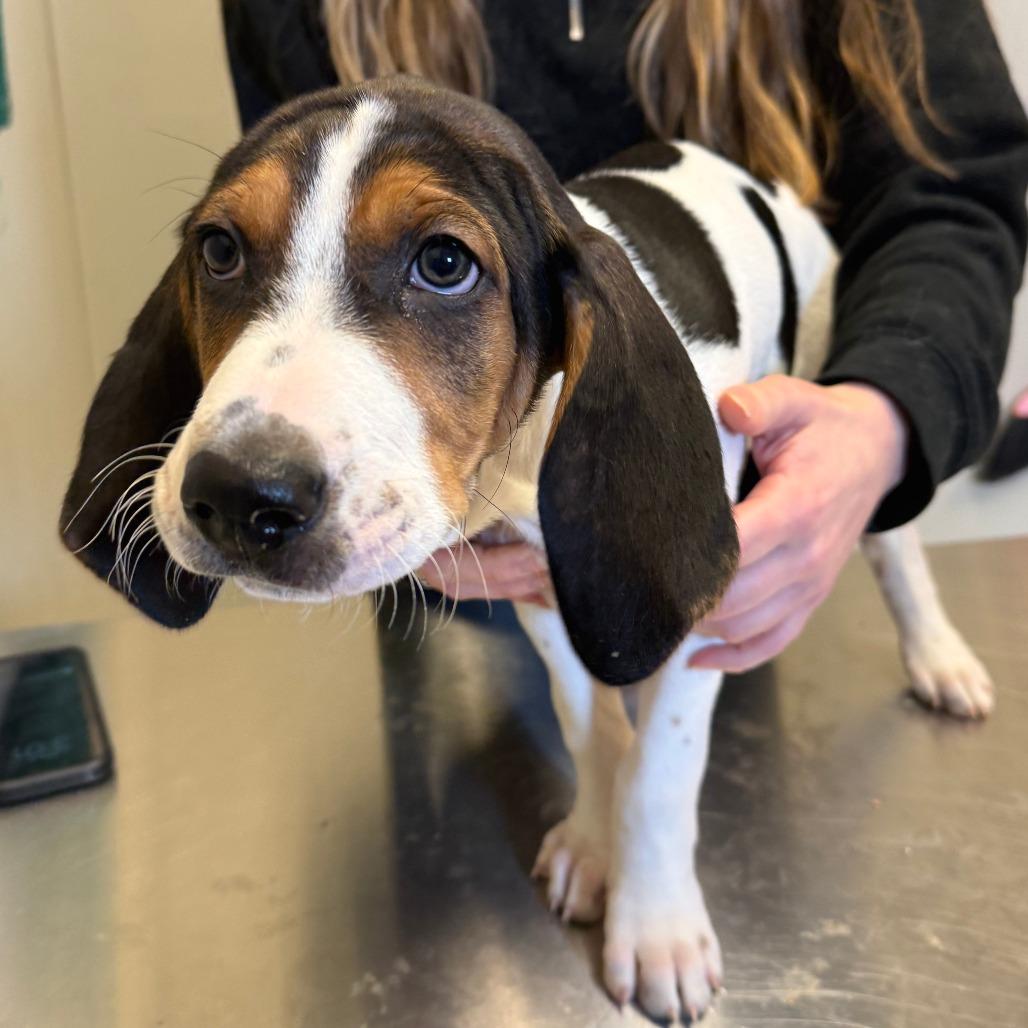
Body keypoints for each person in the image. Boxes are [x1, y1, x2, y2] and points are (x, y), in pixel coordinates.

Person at [221, 0, 1028, 672]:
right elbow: (294, 250)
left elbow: (953, 188)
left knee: (685, 661)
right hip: (436, 575)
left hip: (719, 461)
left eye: (440, 257)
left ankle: (917, 614)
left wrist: (882, 425)